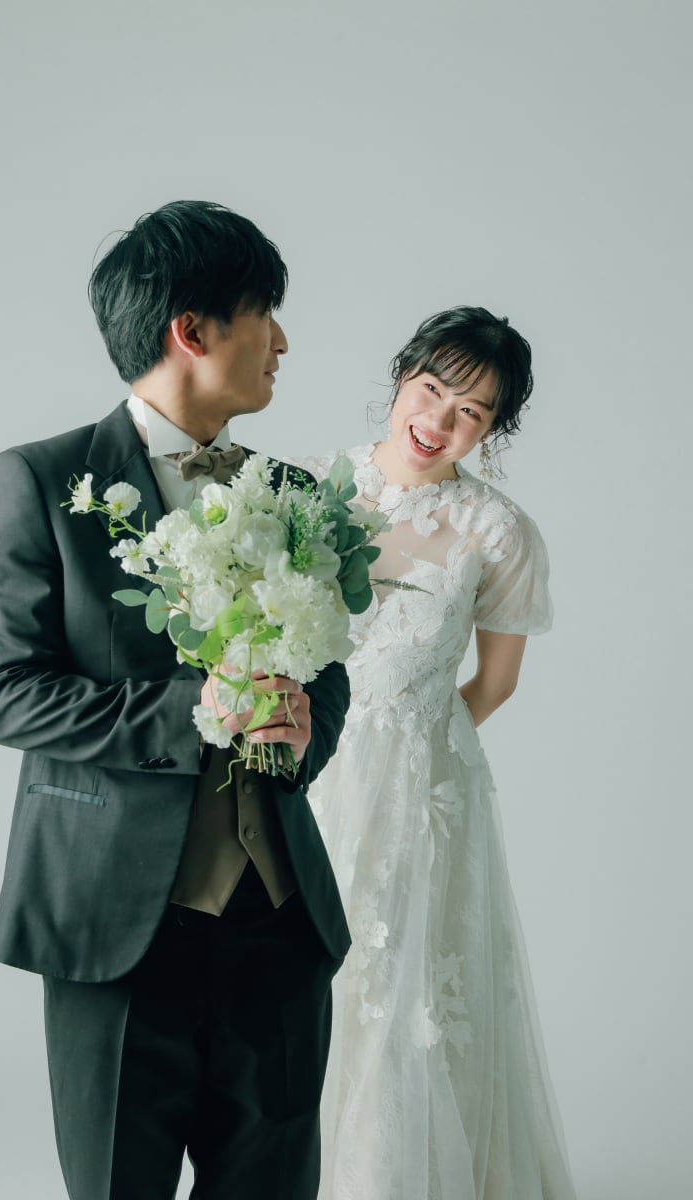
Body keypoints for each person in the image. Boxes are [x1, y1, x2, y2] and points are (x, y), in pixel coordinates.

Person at [0, 200, 351, 1200]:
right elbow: (5, 692)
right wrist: (195, 709)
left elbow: (328, 667)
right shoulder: (43, 481)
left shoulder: (292, 490)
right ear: (193, 330)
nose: (281, 341)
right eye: (263, 313)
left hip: (278, 920)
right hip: (113, 924)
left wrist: (303, 727)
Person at [302, 307, 576, 1199]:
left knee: (401, 992)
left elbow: (494, 684)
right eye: (431, 390)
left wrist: (412, 750)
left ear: (492, 430)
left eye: (472, 412)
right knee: (300, 987)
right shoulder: (316, 488)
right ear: (401, 377)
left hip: (420, 794)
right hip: (302, 778)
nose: (440, 421)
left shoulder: (498, 532)